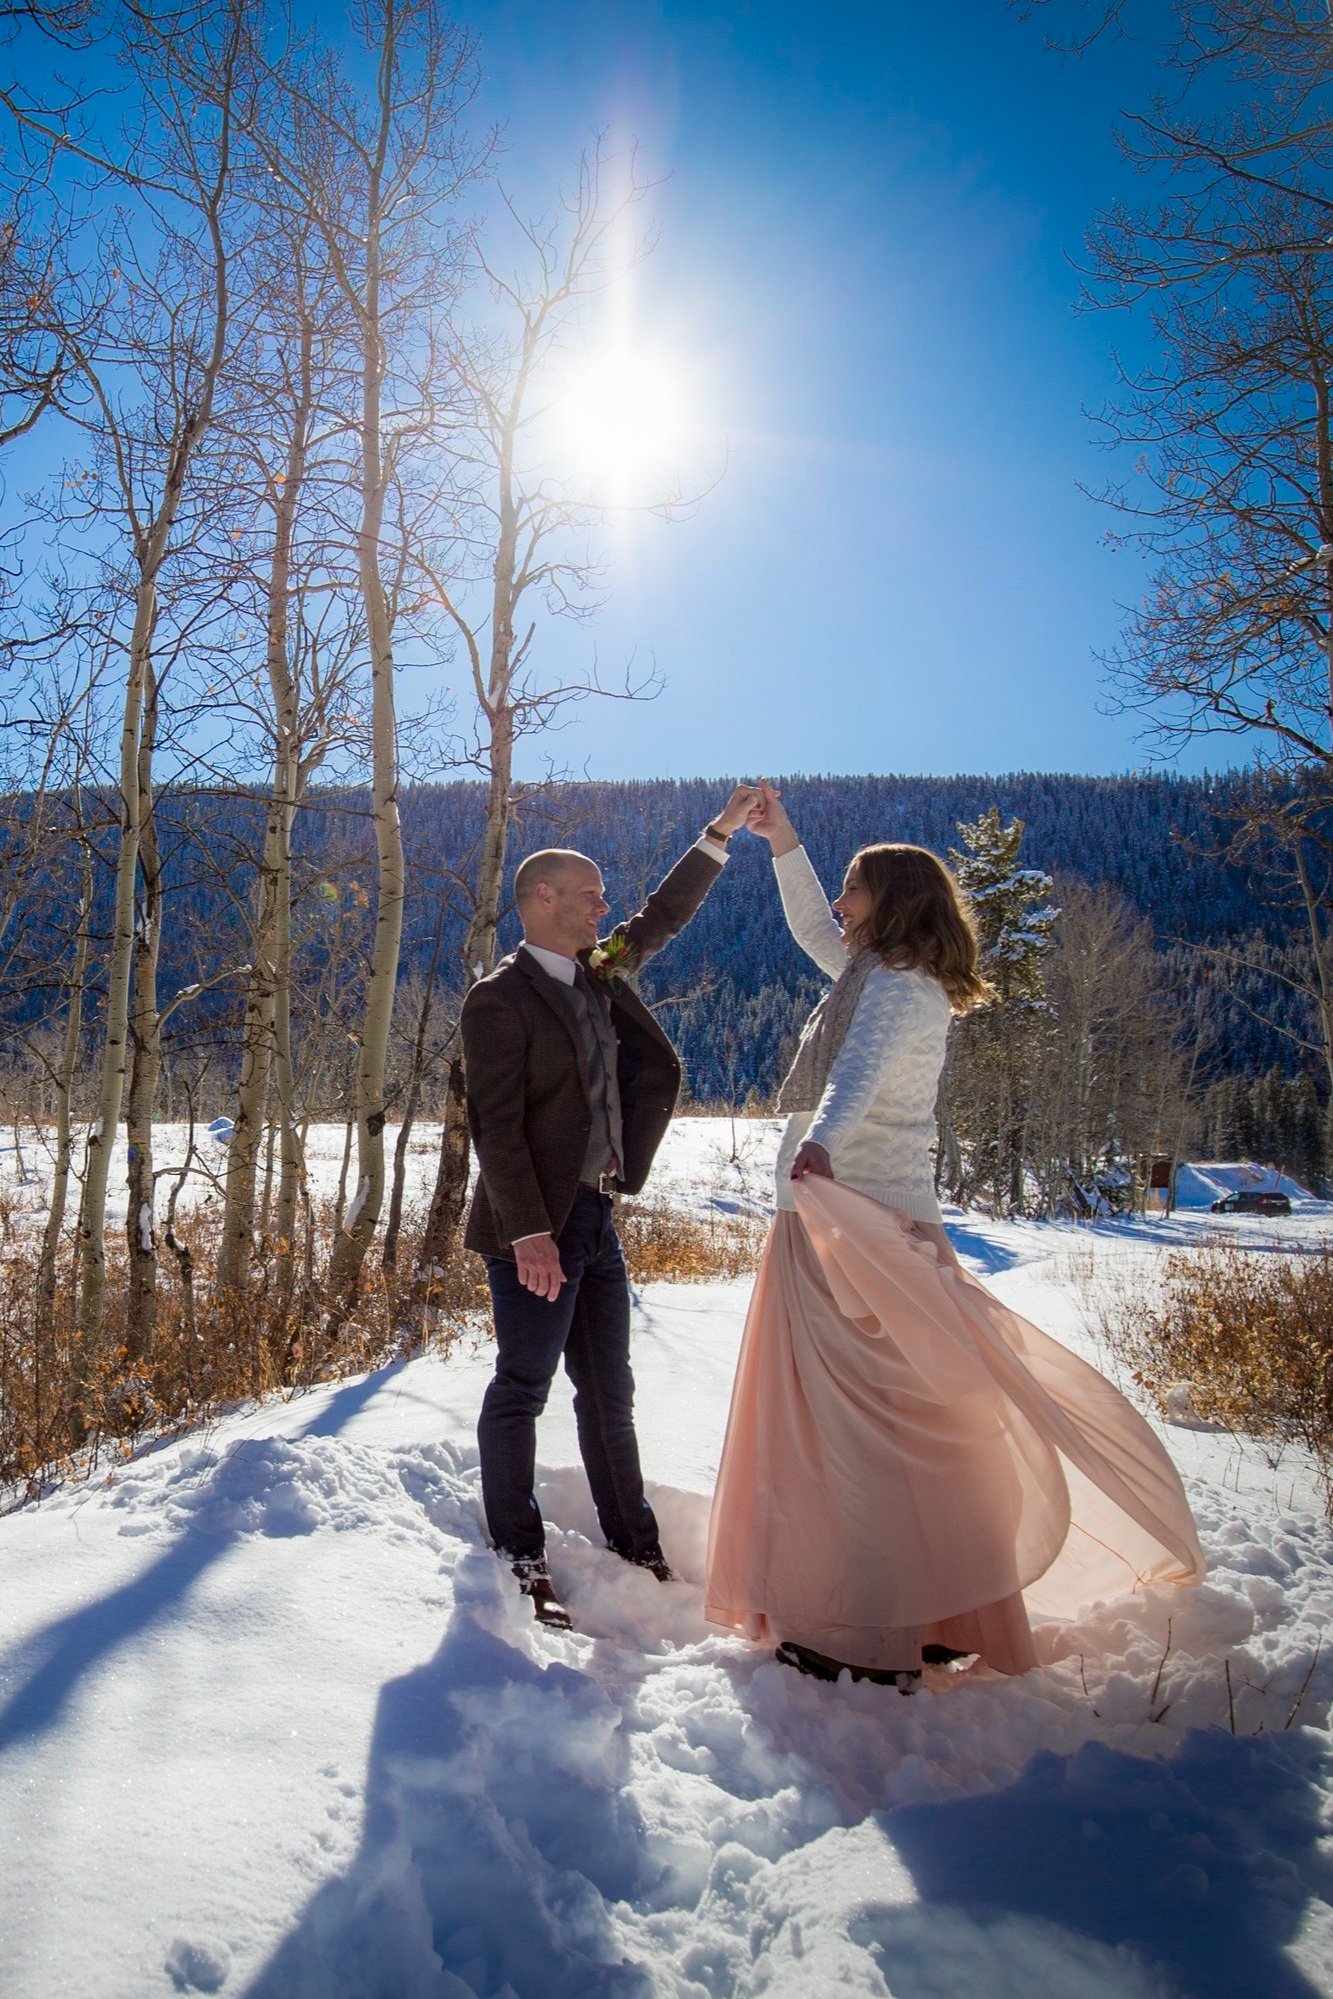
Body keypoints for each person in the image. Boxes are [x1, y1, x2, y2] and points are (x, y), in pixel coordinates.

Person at [705, 782, 1204, 1688]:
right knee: (907, 1417)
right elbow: (816, 933)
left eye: (856, 888)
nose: (843, 905)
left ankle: (864, 1625)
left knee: (860, 1426)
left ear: (893, 901)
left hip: (851, 1217)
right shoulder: (880, 970)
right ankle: (935, 1610)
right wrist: (783, 843)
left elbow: (853, 1075)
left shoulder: (896, 986)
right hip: (855, 1209)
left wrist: (816, 1143)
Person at [463, 786, 759, 1628]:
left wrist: (719, 833)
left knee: (608, 1391)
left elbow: (661, 915)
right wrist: (527, 1232)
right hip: (536, 1228)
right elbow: (497, 1125)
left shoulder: (597, 971)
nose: (604, 906)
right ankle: (519, 1555)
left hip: (594, 1217)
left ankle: (639, 1547)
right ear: (542, 900)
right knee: (522, 1387)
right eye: (589, 894)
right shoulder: (499, 998)